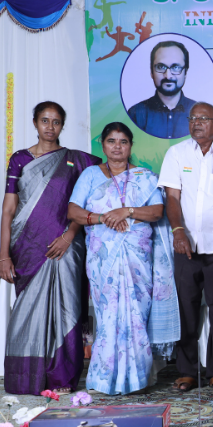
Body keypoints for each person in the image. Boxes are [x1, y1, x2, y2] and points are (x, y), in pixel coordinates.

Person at [68, 122, 179, 395]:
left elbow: (156, 211)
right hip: (102, 258)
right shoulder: (90, 175)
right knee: (107, 316)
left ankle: (138, 377)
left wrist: (127, 211)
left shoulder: (145, 176)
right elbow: (73, 211)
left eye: (123, 141)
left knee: (137, 315)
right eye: (111, 141)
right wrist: (103, 218)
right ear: (103, 145)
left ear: (130, 145)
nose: (117, 147)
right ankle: (104, 377)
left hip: (136, 257)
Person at [1, 101, 100, 395]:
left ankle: (62, 377)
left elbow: (87, 200)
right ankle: (26, 378)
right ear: (35, 122)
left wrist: (69, 236)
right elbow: (8, 210)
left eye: (56, 122)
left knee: (66, 309)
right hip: (27, 247)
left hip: (66, 247)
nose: (50, 127)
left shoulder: (77, 161)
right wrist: (4, 255)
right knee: (26, 313)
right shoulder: (20, 159)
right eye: (45, 120)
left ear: (62, 126)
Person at [157, 103, 213, 393]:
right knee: (185, 311)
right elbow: (172, 197)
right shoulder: (176, 153)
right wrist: (178, 231)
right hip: (185, 247)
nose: (197, 123)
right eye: (193, 118)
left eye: (204, 118)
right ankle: (187, 371)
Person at [127, 41, 196, 139]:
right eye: (161, 67)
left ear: (185, 72)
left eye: (175, 67)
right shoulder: (136, 114)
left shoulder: (200, 113)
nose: (168, 76)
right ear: (151, 72)